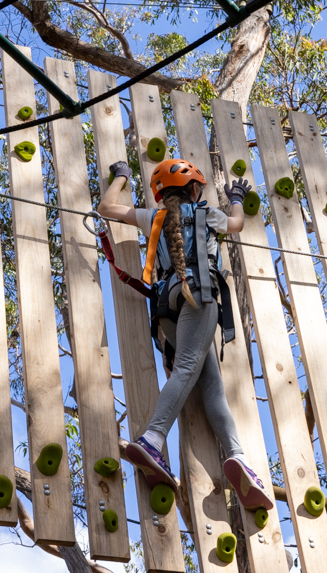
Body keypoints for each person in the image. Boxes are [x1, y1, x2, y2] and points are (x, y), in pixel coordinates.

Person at [98, 158, 273, 512]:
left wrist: (121, 177)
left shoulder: (153, 216)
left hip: (169, 307)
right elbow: (237, 223)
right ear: (194, 188)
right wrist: (235, 196)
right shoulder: (208, 215)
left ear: (162, 193)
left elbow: (105, 208)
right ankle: (152, 439)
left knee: (209, 384)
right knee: (188, 367)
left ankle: (236, 455)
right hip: (200, 295)